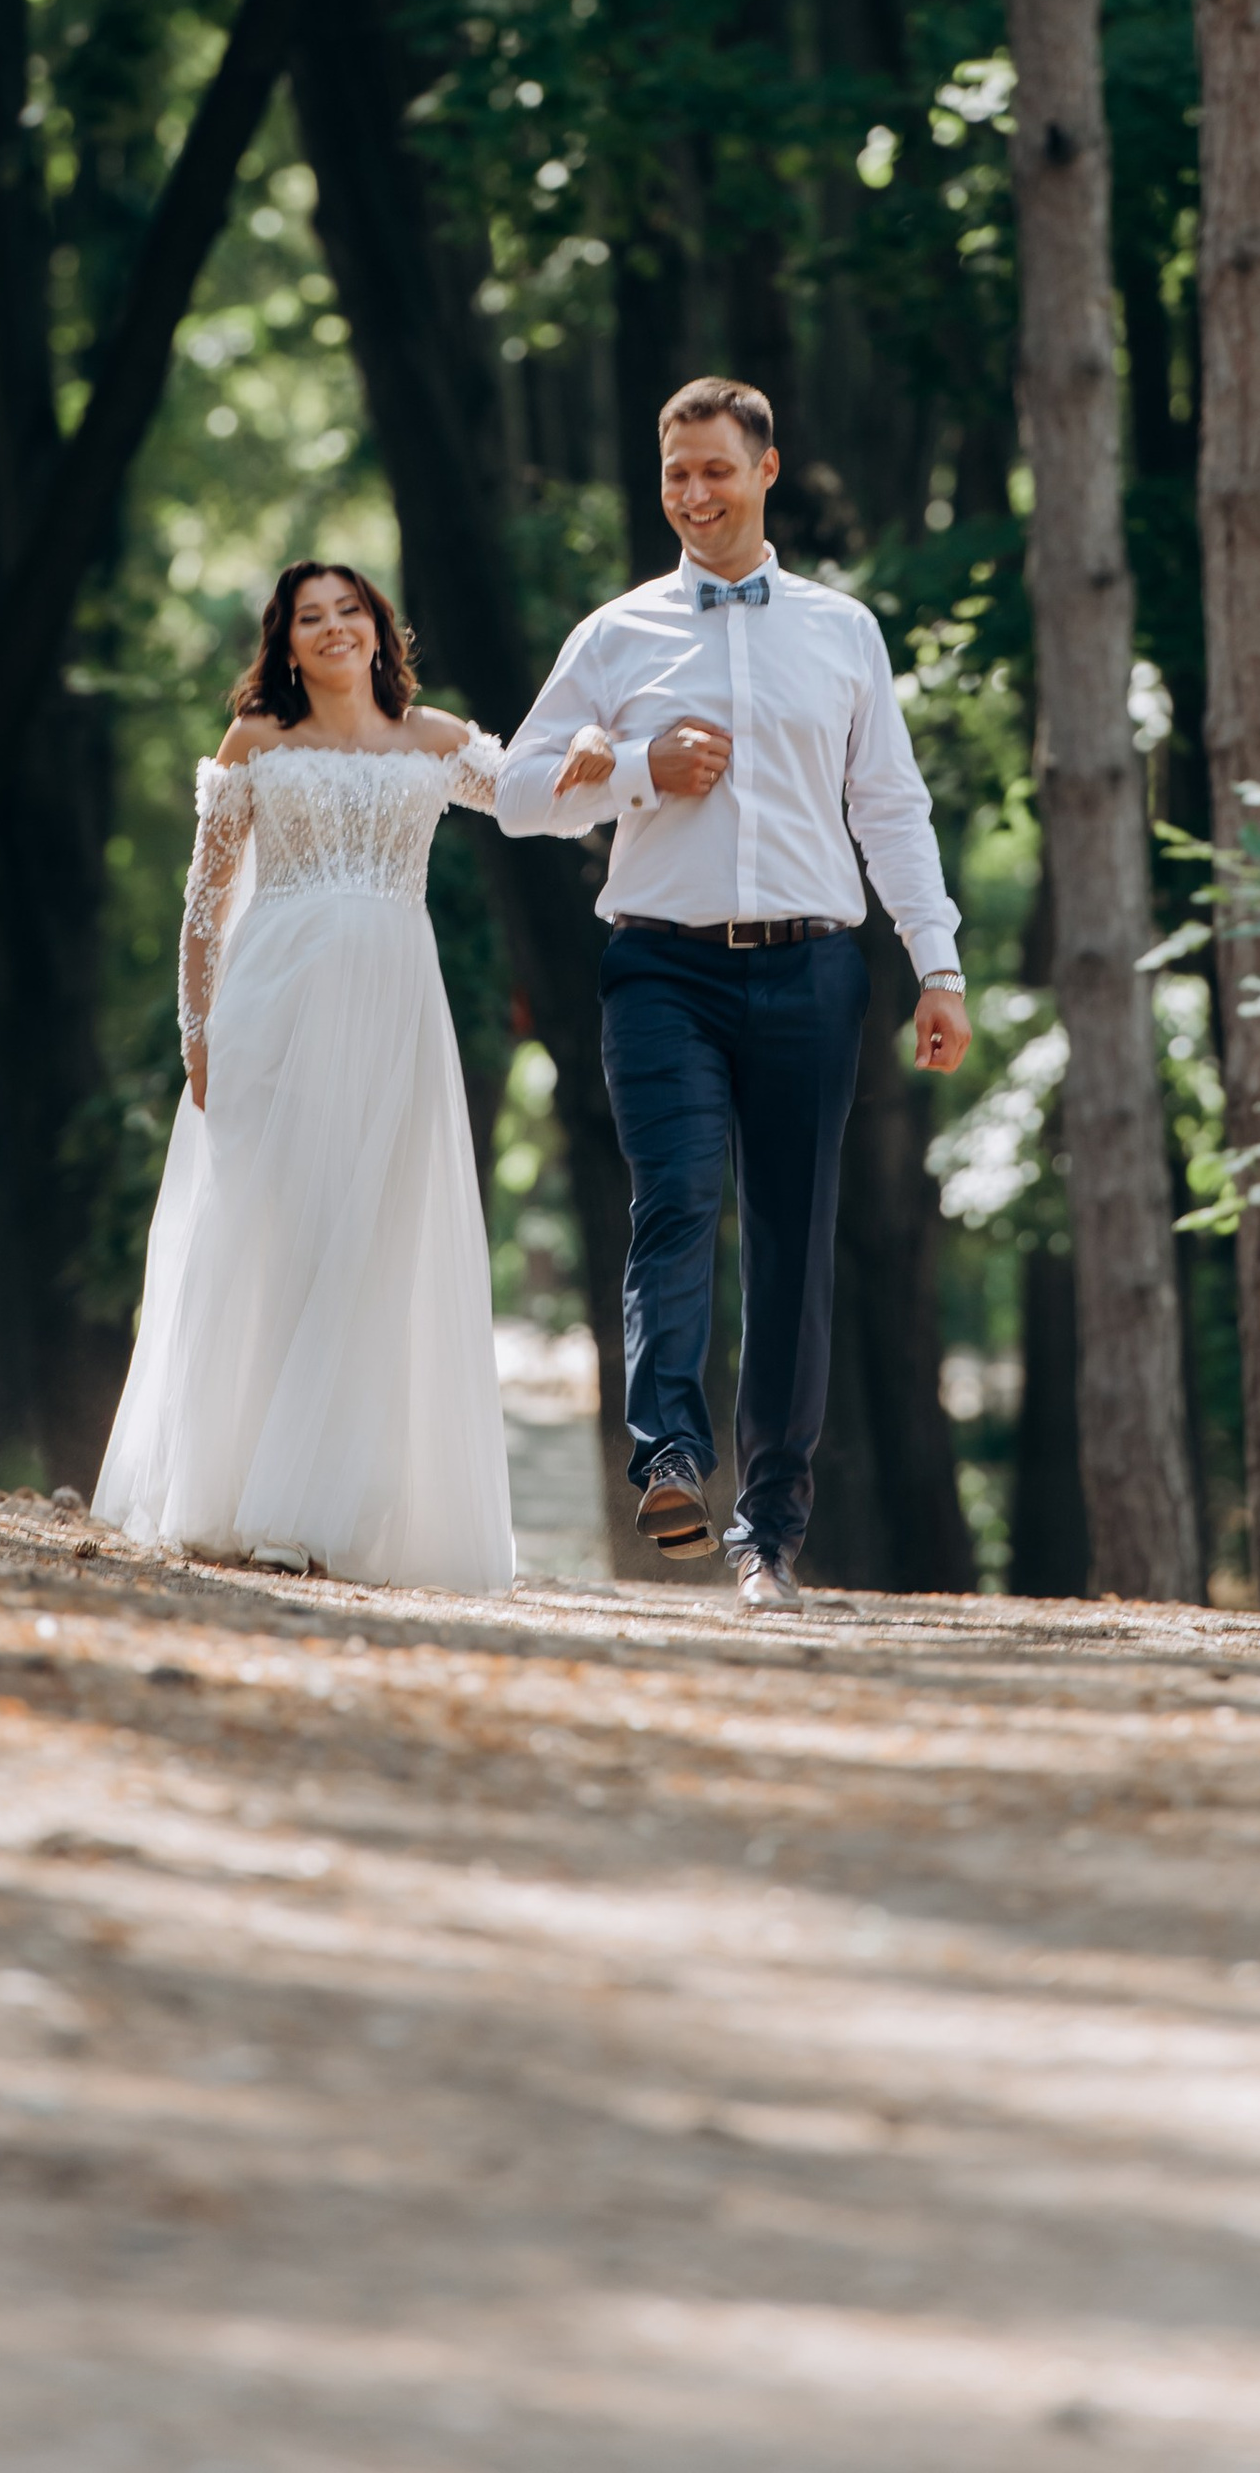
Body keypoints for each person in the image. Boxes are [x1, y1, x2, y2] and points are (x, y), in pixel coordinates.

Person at [498, 380, 971, 1614]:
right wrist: (639, 774)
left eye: (715, 469)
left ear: (766, 469)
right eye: (674, 473)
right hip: (662, 964)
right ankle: (668, 1457)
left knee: (794, 1242)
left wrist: (938, 963)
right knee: (675, 1196)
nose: (694, 494)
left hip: (816, 966)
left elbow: (890, 807)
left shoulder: (842, 631)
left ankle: (770, 1531)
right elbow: (516, 788)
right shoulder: (615, 635)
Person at [95, 559, 600, 1594]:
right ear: (285, 643)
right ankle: (236, 1487)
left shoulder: (435, 739)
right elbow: (205, 898)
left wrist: (598, 752)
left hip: (392, 1008)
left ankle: (322, 1504)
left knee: (366, 1239)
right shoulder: (256, 743)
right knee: (270, 1233)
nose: (332, 628)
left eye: (348, 610)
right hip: (272, 1003)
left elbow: (530, 795)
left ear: (380, 628)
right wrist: (198, 1029)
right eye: (308, 617)